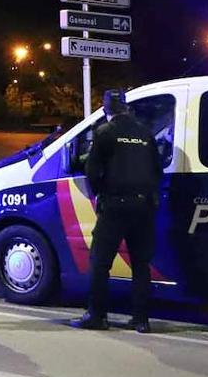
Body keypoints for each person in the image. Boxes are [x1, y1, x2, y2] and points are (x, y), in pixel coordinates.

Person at [70, 89, 164, 333]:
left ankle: (97, 316)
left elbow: (92, 171)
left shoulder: (104, 132)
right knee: (141, 264)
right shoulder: (145, 133)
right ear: (126, 107)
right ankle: (141, 320)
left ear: (105, 110)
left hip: (114, 205)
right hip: (143, 207)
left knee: (100, 263)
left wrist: (100, 193)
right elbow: (157, 169)